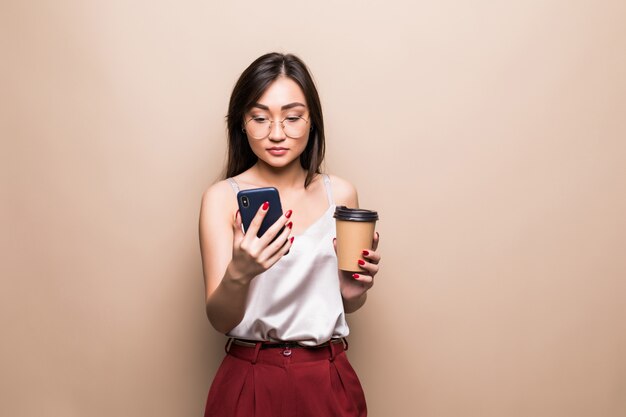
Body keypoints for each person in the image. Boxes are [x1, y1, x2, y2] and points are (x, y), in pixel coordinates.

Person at [198, 52, 381, 417]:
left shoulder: (340, 195)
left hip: (326, 378)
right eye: (260, 118)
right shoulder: (221, 199)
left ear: (312, 121)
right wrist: (241, 271)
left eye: (293, 117)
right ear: (241, 123)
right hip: (249, 377)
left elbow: (344, 303)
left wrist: (354, 292)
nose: (277, 133)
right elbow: (220, 319)